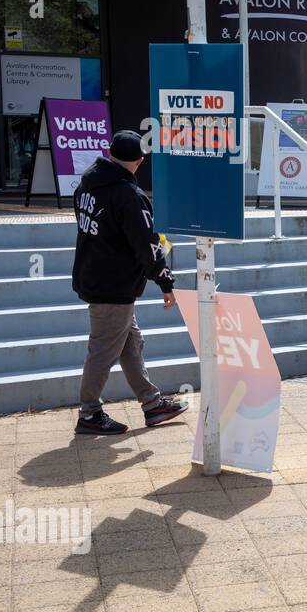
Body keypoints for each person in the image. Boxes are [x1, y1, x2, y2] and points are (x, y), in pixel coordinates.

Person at [71, 130, 188, 434]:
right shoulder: (129, 196)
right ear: (139, 161)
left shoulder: (86, 184)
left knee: (130, 344)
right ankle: (89, 413)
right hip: (113, 286)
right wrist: (165, 281)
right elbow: (146, 244)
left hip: (97, 277)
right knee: (102, 351)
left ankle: (152, 404)